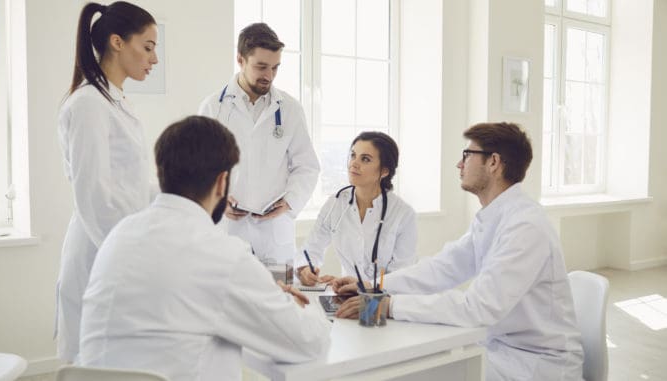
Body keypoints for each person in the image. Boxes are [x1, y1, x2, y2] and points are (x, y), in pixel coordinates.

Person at [78, 116, 331, 381]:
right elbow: (307, 343)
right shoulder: (222, 255)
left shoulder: (121, 233)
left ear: (162, 173)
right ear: (222, 182)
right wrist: (303, 306)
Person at [333, 123, 584, 380]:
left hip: (535, 364)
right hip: (498, 347)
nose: (459, 164)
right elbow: (442, 268)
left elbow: (477, 307)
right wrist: (372, 285)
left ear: (494, 162)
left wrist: (387, 306)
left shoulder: (526, 225)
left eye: (467, 155)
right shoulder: (493, 216)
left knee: (412, 372)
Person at [56, 1, 158, 362]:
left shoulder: (114, 102)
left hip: (119, 246)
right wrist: (129, 257)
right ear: (117, 42)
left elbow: (134, 184)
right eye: (147, 46)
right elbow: (93, 196)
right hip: (100, 251)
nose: (154, 58)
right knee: (96, 363)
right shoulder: (87, 104)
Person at [198, 23, 319, 265]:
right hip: (227, 227)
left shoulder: (290, 109)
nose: (269, 76)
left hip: (274, 230)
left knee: (279, 296)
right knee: (226, 297)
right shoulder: (213, 107)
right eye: (261, 67)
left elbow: (307, 166)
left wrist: (291, 201)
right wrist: (218, 201)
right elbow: (199, 166)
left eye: (275, 68)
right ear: (240, 60)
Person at [296, 132, 417, 286]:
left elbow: (401, 275)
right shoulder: (335, 203)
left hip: (384, 302)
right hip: (346, 295)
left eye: (365, 159)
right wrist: (306, 269)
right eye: (353, 155)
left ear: (385, 171)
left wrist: (363, 287)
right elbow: (311, 248)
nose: (354, 163)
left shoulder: (403, 214)